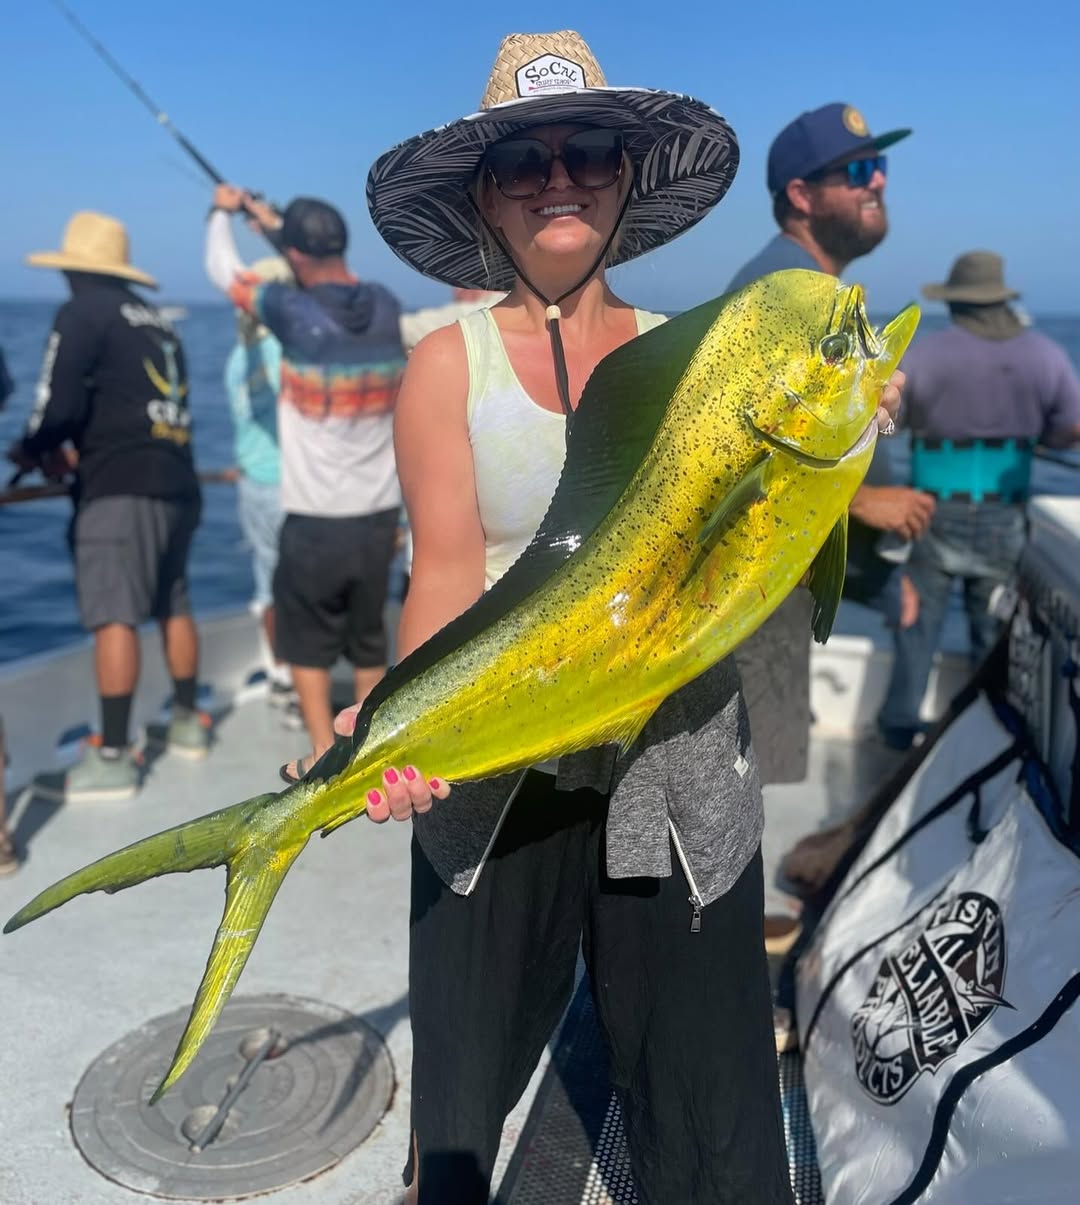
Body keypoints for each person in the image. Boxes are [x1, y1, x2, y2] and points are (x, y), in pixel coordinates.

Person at [350, 31, 903, 1204]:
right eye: (522, 161)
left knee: (709, 1095)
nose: (559, 176)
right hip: (499, 763)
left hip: (677, 756)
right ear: (485, 199)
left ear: (626, 175)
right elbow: (444, 573)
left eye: (588, 148)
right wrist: (400, 728)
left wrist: (860, 432)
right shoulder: (444, 365)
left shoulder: (693, 353)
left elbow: (768, 528)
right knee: (460, 1089)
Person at [725, 102, 935, 786]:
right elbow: (736, 458)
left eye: (880, 167)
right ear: (801, 196)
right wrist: (867, 498)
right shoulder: (789, 296)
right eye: (860, 171)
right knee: (744, 784)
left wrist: (874, 569)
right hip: (751, 588)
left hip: (784, 574)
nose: (878, 182)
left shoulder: (812, 289)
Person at [6, 211, 207, 800]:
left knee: (113, 613)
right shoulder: (157, 322)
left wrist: (28, 447)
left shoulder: (82, 313)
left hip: (120, 489)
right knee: (173, 602)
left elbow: (56, 406)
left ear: (74, 270)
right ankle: (190, 722)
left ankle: (114, 756)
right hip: (179, 482)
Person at [205, 191, 407, 768]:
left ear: (293, 254)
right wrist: (273, 225)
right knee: (368, 640)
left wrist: (222, 212)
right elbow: (336, 282)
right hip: (377, 518)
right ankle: (370, 751)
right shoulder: (386, 306)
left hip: (315, 522)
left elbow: (225, 273)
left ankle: (322, 752)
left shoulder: (291, 315)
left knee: (308, 647)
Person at [877, 250, 1080, 749]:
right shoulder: (1044, 355)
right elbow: (1071, 427)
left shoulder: (927, 354)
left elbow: (888, 419)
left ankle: (899, 729)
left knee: (917, 627)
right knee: (992, 635)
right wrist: (1038, 437)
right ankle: (979, 741)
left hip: (928, 510)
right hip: (1002, 513)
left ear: (957, 303)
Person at [219, 254, 295, 707]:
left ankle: (282, 678)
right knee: (308, 588)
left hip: (254, 486)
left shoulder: (238, 356)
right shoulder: (289, 349)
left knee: (270, 586)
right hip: (300, 487)